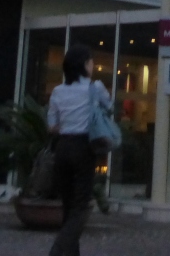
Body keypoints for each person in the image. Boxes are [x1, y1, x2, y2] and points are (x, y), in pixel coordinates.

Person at [46, 45, 112, 256]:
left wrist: (68, 123)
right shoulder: (95, 88)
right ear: (84, 65)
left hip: (63, 147)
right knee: (81, 206)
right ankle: (58, 250)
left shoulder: (58, 91)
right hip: (84, 147)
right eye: (91, 62)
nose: (93, 65)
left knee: (68, 204)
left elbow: (51, 126)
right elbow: (109, 107)